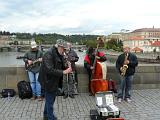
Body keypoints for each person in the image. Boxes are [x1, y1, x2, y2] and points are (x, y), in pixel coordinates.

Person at [38, 39, 72, 120]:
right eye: (64, 49)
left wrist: (66, 64)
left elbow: (59, 64)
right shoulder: (48, 54)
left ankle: (46, 116)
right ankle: (50, 118)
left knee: (49, 100)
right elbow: (49, 70)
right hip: (47, 81)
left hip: (53, 80)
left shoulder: (58, 53)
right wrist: (64, 72)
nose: (65, 51)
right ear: (59, 47)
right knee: (50, 101)